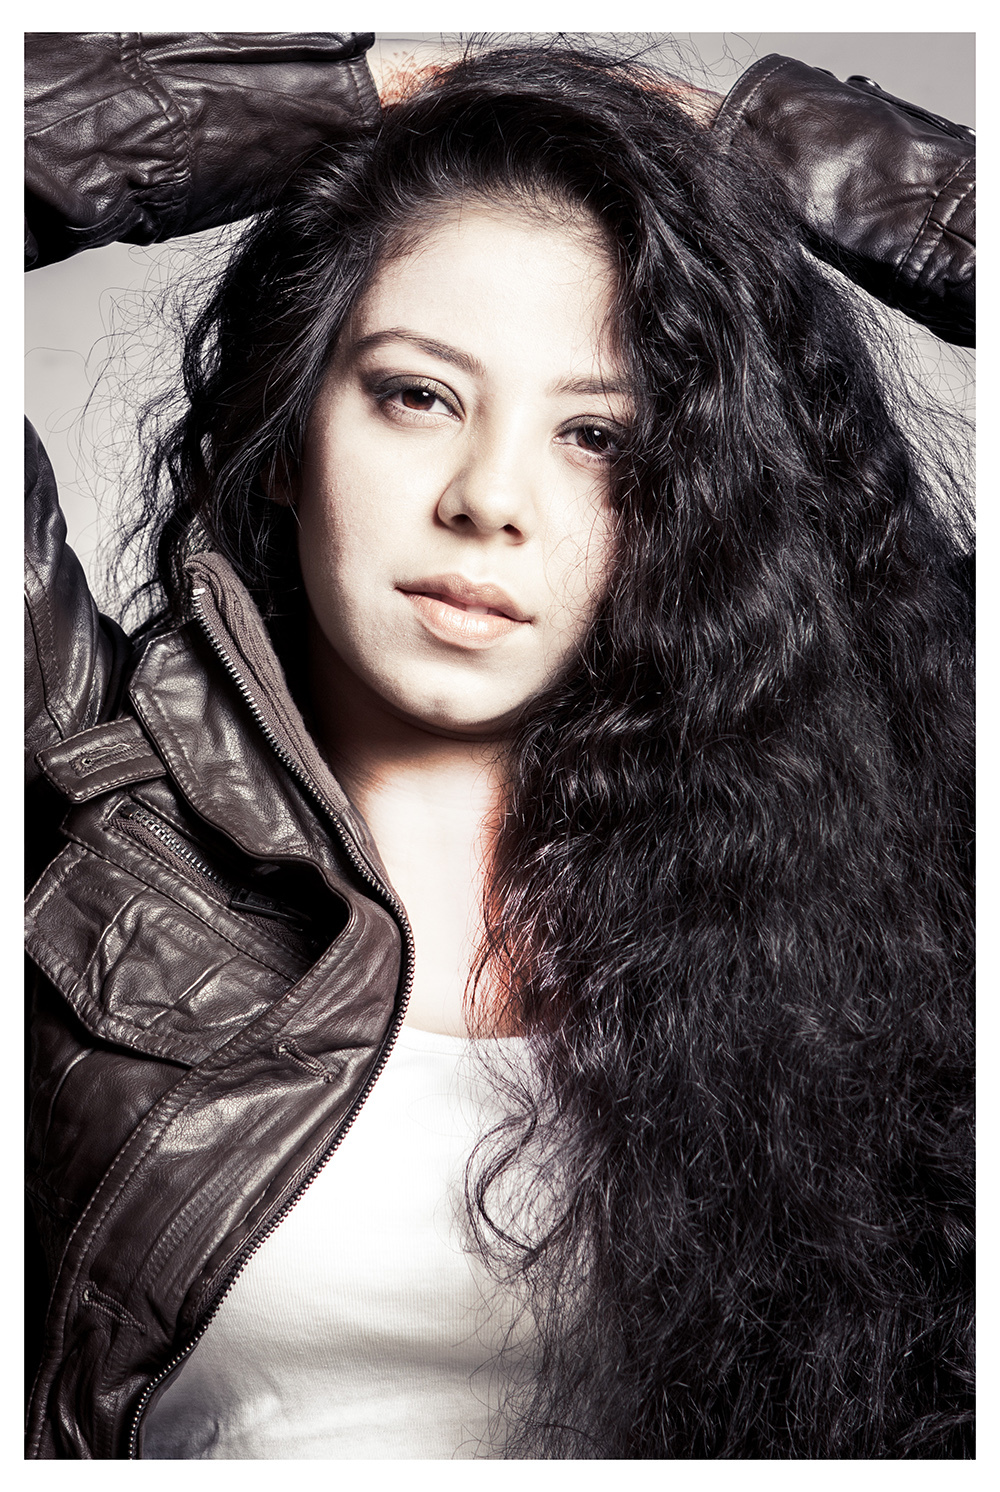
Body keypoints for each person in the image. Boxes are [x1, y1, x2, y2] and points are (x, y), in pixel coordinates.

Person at [25, 33, 974, 1459]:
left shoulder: (887, 821)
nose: (491, 499)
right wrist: (354, 89)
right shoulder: (72, 766)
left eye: (599, 438)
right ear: (286, 436)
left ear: (695, 498)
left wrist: (756, 145)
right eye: (417, 394)